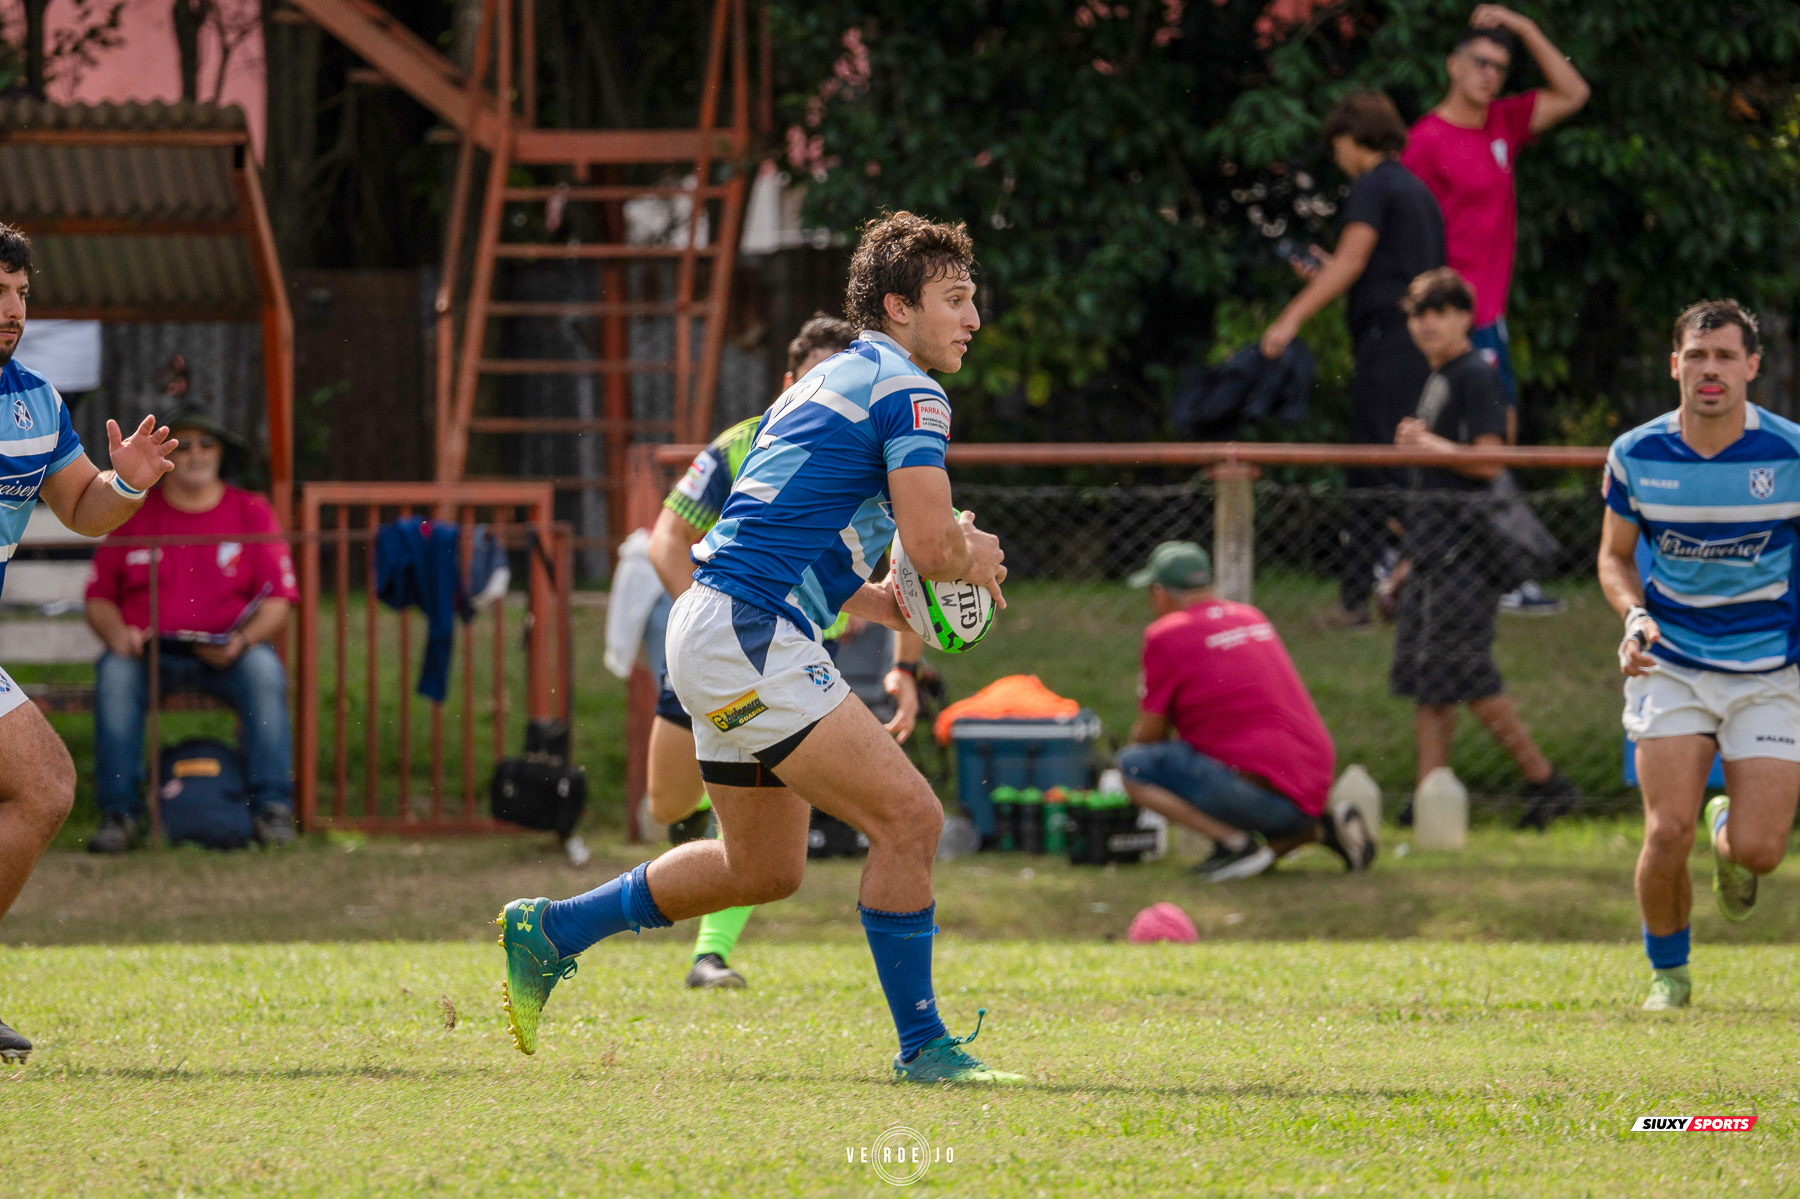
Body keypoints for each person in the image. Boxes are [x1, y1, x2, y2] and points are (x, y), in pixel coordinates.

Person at [498, 211, 1021, 1084]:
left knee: (764, 867)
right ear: (898, 306)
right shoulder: (913, 391)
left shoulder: (827, 383)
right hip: (751, 630)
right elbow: (935, 547)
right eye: (955, 299)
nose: (972, 319)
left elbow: (803, 541)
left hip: (719, 621)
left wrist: (893, 606)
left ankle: (550, 930)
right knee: (912, 819)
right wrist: (974, 553)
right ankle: (925, 1047)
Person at [640, 313, 924, 990]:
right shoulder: (742, 443)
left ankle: (708, 951)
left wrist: (903, 662)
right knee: (668, 804)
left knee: (783, 834)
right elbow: (665, 542)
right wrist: (703, 625)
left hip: (781, 652)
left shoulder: (872, 435)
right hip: (723, 632)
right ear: (794, 382)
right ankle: (567, 923)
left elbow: (912, 560)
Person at [0, 223, 177, 1063]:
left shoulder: (37, 401)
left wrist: (129, 481)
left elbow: (83, 510)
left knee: (44, 786)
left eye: (21, 294)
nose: (11, 312)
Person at [1598, 300, 1800, 1012]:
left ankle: (1729, 829)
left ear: (1750, 367)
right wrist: (1634, 617)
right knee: (1665, 829)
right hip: (1673, 662)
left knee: (1762, 851)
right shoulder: (1636, 454)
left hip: (1769, 669)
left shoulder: (1791, 454)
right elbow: (1614, 558)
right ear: (1675, 364)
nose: (1709, 369)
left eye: (1724, 356)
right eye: (1697, 354)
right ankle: (1670, 977)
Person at [1402, 6, 1589, 615]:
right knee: (1473, 444)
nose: (1490, 75)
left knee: (1491, 443)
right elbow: (1408, 226)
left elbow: (1574, 90)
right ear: (1453, 66)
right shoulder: (1427, 139)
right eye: (1480, 62)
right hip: (1452, 319)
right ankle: (1500, 571)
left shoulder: (1505, 123)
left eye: (1500, 67)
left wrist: (1524, 25)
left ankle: (1490, 566)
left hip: (1492, 315)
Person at [1383, 269, 1576, 827]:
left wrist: (1428, 444)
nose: (1429, 323)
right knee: (1428, 683)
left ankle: (1545, 781)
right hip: (1430, 554)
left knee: (1468, 674)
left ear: (1467, 318)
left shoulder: (1477, 375)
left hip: (1466, 556)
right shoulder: (1438, 377)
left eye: (1442, 311)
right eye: (1420, 313)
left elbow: (1491, 461)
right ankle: (1430, 794)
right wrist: (1405, 563)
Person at [1259, 92, 1445, 629]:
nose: (1335, 155)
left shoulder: (1373, 184)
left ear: (1352, 136)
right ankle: (1410, 586)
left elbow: (1355, 259)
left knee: (1369, 472)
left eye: (1336, 143)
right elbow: (1371, 267)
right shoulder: (1416, 190)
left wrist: (1290, 318)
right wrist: (1332, 270)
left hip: (1388, 344)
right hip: (1420, 343)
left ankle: (1355, 602)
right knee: (1403, 467)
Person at [83, 407, 299, 854]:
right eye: (185, 445)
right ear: (167, 456)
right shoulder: (134, 513)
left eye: (208, 444)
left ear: (223, 454)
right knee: (115, 674)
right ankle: (120, 814)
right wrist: (118, 634)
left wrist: (243, 640)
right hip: (148, 655)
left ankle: (272, 809)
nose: (197, 454)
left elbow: (279, 599)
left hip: (230, 653)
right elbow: (99, 597)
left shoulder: (252, 511)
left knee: (264, 671)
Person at [1117, 541, 1370, 881]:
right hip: (1311, 784)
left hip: (1264, 797)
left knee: (1135, 765)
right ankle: (1321, 830)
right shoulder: (1249, 615)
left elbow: (1150, 734)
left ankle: (1235, 845)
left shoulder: (1165, 635)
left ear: (1161, 593)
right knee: (1215, 759)